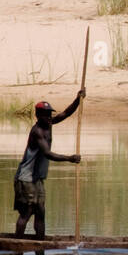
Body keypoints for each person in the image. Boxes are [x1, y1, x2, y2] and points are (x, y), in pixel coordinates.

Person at [14, 91, 84, 237]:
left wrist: (78, 99)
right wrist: (69, 158)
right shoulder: (37, 131)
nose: (49, 117)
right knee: (27, 212)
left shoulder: (49, 124)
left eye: (50, 114)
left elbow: (66, 113)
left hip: (37, 178)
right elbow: (47, 154)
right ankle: (18, 245)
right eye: (45, 114)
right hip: (26, 178)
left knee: (40, 211)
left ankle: (41, 243)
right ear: (38, 116)